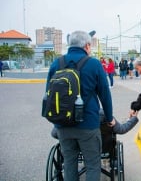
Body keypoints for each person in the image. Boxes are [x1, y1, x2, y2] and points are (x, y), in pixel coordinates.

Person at [45, 30, 114, 181]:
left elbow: (48, 94)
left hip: (63, 125)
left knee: (69, 163)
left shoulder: (57, 63)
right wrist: (109, 118)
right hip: (88, 125)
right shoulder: (94, 64)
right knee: (92, 165)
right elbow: (105, 95)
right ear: (87, 46)